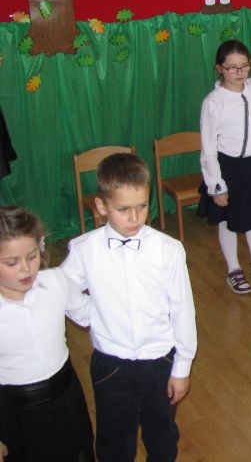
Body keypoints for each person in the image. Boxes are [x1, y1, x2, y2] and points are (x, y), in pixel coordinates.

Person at [61, 153, 197, 462]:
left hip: (161, 360)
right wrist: (89, 314)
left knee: (162, 434)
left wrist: (182, 367)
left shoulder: (169, 250)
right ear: (101, 206)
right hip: (112, 365)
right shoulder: (84, 249)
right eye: (123, 209)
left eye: (142, 206)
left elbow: (183, 311)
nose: (135, 217)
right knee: (114, 440)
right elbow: (63, 287)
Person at [0, 205, 94, 462]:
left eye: (32, 257)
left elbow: (92, 315)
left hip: (66, 397)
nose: (25, 269)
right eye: (11, 262)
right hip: (16, 410)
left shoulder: (56, 281)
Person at [199, 39, 251, 295]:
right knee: (228, 219)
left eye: (244, 66)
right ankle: (233, 268)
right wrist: (217, 185)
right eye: (232, 67)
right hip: (229, 168)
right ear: (220, 68)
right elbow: (208, 147)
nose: (239, 72)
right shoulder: (214, 102)